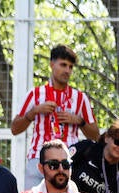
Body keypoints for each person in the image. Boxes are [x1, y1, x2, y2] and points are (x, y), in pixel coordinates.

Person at [10, 43, 99, 172]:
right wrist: (34, 112)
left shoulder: (80, 98)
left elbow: (95, 135)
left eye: (70, 67)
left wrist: (79, 121)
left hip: (68, 161)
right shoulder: (35, 94)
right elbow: (15, 129)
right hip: (38, 159)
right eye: (63, 65)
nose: (67, 70)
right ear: (52, 64)